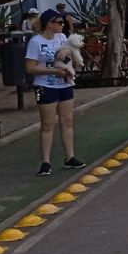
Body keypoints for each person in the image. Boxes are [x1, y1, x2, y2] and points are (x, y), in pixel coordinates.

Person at [24, 10, 85, 175]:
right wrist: (53, 71)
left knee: (67, 121)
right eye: (59, 22)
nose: (62, 25)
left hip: (65, 85)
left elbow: (73, 53)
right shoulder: (36, 42)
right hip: (46, 86)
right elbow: (30, 68)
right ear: (49, 24)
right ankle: (46, 162)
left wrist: (69, 52)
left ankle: (70, 157)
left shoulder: (62, 37)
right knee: (48, 124)